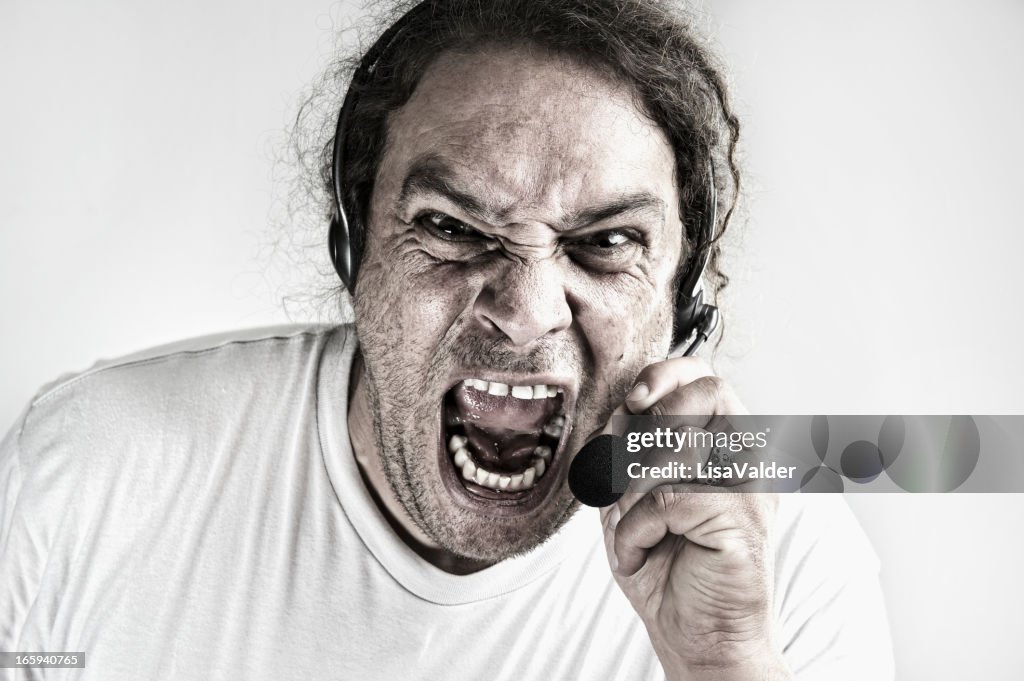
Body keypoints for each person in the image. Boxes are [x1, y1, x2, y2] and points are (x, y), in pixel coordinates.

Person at [0, 1, 893, 679]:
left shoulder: (784, 566)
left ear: (682, 302)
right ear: (354, 253)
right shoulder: (97, 468)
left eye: (607, 242)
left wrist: (723, 666)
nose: (527, 310)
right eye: (455, 228)